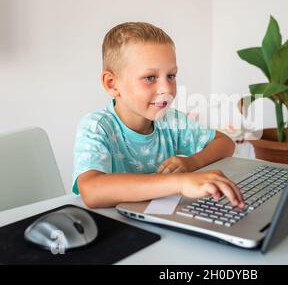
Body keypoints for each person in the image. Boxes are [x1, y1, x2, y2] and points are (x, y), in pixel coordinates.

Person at [72, 22, 244, 209]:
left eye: (171, 76)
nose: (166, 88)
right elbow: (91, 191)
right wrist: (180, 182)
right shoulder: (97, 127)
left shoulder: (171, 121)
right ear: (112, 84)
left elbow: (225, 143)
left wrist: (192, 162)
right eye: (150, 77)